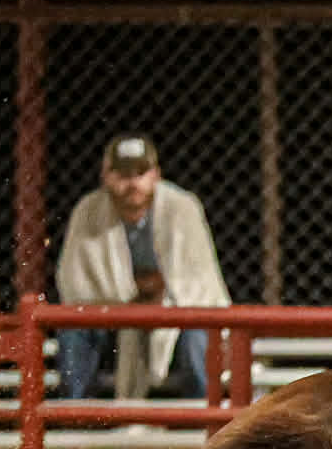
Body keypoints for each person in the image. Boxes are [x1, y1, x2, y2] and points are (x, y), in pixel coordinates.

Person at [53, 133, 230, 400]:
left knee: (198, 333)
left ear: (155, 174)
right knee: (75, 329)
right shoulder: (88, 210)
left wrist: (161, 295)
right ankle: (75, 419)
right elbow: (76, 283)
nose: (132, 183)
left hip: (172, 311)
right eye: (123, 174)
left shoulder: (182, 207)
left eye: (140, 173)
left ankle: (203, 419)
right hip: (112, 314)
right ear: (106, 176)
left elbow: (198, 282)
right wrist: (130, 297)